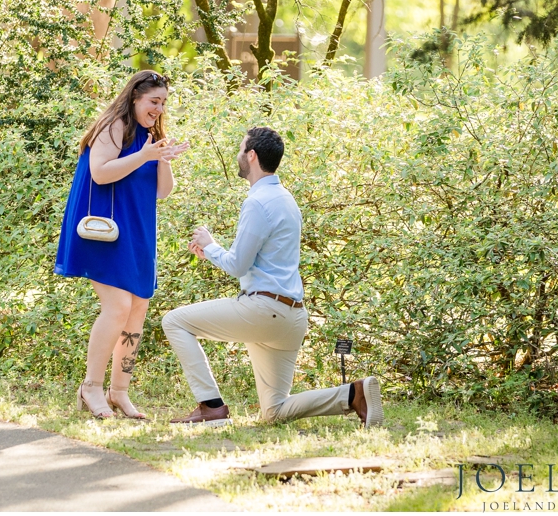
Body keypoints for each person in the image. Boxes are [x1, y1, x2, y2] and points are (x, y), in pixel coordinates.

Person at [161, 126, 383, 428]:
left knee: (174, 321)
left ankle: (211, 407)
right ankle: (352, 395)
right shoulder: (285, 198)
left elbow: (239, 265)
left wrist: (210, 244)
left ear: (251, 156)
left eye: (241, 150)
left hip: (264, 311)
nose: (238, 155)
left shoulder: (257, 202)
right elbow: (259, 261)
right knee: (274, 411)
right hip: (292, 316)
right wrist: (213, 252)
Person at [55, 70, 189, 419]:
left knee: (137, 311)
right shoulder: (114, 126)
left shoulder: (150, 136)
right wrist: (144, 156)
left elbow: (162, 192)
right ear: (134, 98)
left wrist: (161, 158)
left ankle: (120, 392)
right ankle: (91, 388)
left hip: (138, 231)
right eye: (153, 101)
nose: (159, 108)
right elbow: (100, 173)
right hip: (105, 231)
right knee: (117, 308)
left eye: (163, 102)